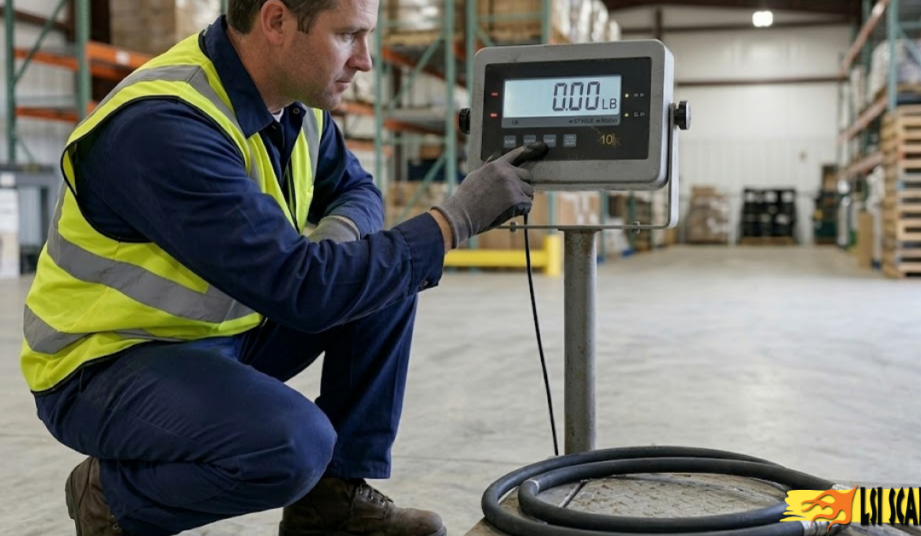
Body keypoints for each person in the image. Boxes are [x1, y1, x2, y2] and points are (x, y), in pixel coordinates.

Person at [21, 0, 546, 534]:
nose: (364, 60)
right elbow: (306, 291)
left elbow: (357, 190)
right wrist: (455, 220)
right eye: (348, 35)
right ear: (276, 21)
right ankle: (110, 497)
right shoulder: (163, 126)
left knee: (385, 281)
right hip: (104, 364)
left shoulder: (296, 105)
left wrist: (339, 244)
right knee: (291, 445)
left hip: (222, 334)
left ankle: (332, 505)